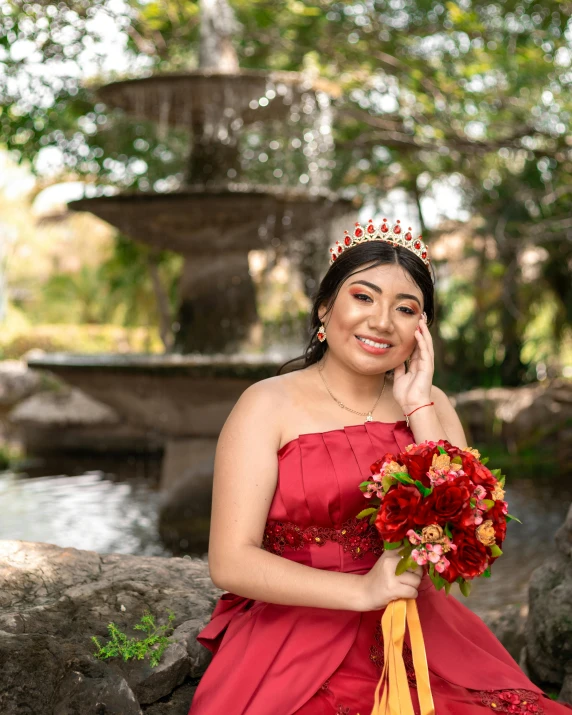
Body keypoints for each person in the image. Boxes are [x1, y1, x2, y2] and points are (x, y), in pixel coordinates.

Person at [188, 220, 571, 714]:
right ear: (326, 306)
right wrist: (362, 589)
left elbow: (470, 540)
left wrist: (418, 409)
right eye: (364, 297)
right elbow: (231, 562)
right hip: (297, 631)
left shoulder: (433, 405)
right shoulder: (265, 405)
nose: (382, 321)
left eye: (405, 308)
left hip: (423, 631)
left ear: (422, 328)